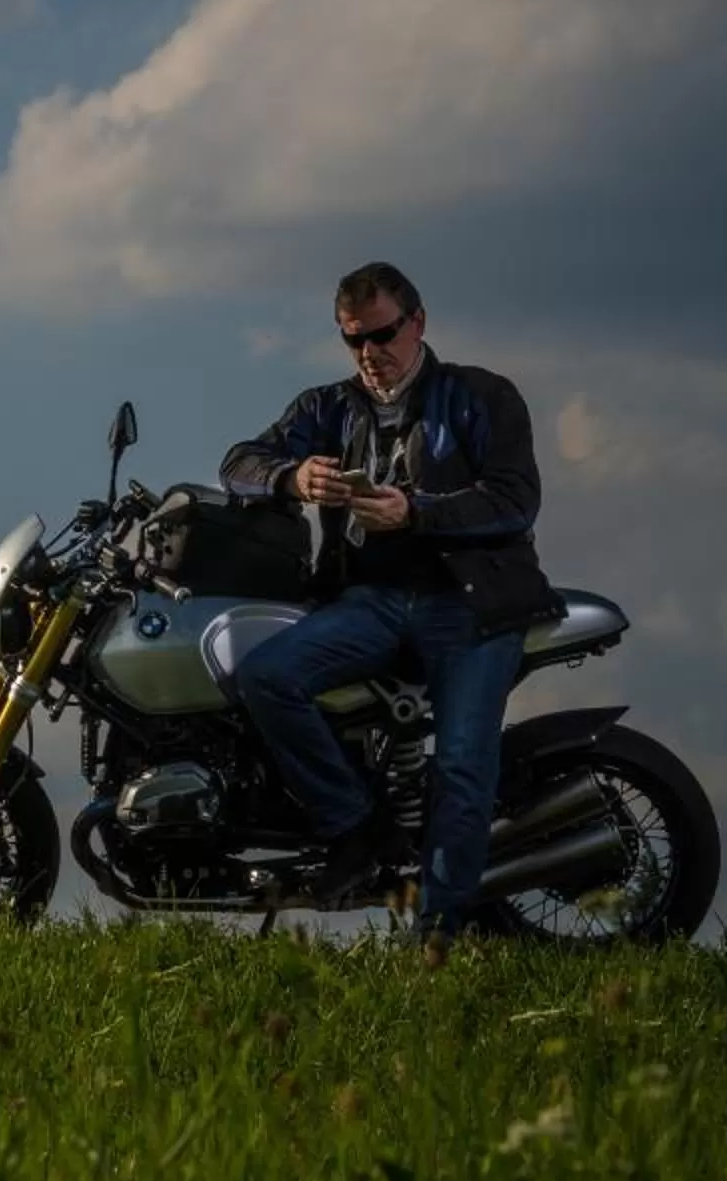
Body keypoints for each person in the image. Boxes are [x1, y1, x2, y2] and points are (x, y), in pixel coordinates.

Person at [218, 262, 555, 948]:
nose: (369, 353)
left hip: (468, 600)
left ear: (418, 322)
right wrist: (292, 475)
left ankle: (438, 937)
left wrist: (417, 511)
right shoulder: (328, 407)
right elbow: (238, 461)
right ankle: (357, 829)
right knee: (264, 675)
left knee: (462, 763)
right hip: (370, 601)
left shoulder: (481, 396)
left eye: (381, 334)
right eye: (353, 340)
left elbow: (516, 498)